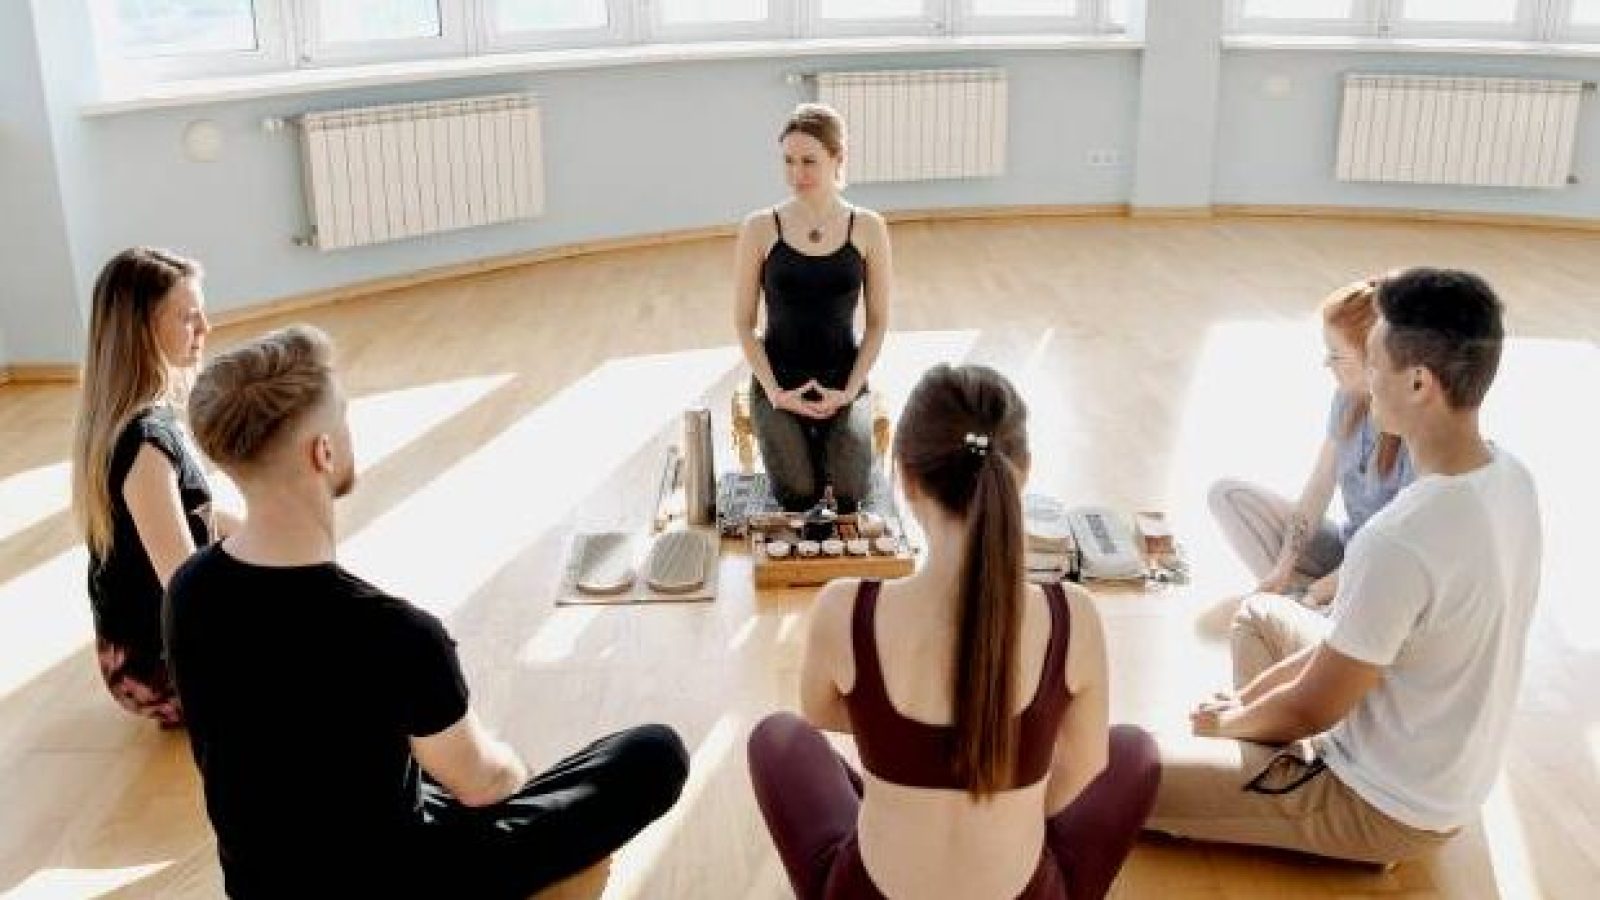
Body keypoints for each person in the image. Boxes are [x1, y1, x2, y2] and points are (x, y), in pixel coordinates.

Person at [166, 325, 689, 898]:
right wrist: (520, 791)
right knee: (653, 752)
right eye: (342, 415)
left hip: (261, 884)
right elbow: (484, 784)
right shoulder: (394, 632)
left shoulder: (188, 589)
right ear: (325, 451)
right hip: (406, 881)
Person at [1147, 268, 1542, 866]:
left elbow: (1316, 707)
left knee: (1116, 772)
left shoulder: (1400, 539)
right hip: (1441, 775)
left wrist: (1228, 727)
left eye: (1374, 364)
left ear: (1417, 384)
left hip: (1380, 806)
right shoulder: (1511, 478)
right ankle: (1255, 760)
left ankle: (1265, 779)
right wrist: (1248, 705)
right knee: (1261, 615)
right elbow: (1340, 660)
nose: (1363, 382)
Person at [748, 364, 1160, 899]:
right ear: (1025, 472)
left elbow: (821, 713)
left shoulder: (844, 607)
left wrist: (904, 745)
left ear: (905, 478)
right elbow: (1084, 766)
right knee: (1134, 750)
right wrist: (1001, 786)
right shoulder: (1072, 615)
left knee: (777, 737)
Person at [70, 247, 225, 726]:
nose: (205, 328)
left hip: (144, 652)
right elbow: (185, 586)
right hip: (156, 671)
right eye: (187, 318)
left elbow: (206, 517)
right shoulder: (144, 448)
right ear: (141, 332)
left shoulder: (143, 421)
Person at [1209, 279, 1413, 609]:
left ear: (1375, 356)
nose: (1326, 364)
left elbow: (1396, 548)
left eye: (1336, 355)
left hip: (1386, 568)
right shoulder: (1347, 400)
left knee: (1371, 587)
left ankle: (1311, 608)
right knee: (1226, 495)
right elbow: (1318, 488)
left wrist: (1321, 590)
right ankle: (1296, 601)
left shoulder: (1418, 428)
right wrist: (1282, 567)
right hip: (1347, 550)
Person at [734, 102, 892, 513]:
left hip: (844, 380)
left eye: (809, 161)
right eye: (787, 161)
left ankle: (830, 441)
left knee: (847, 495)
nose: (795, 174)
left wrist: (849, 392)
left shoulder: (869, 227)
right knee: (798, 495)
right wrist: (774, 393)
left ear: (838, 159)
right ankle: (799, 441)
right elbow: (744, 325)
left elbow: (876, 325)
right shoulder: (759, 227)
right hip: (779, 382)